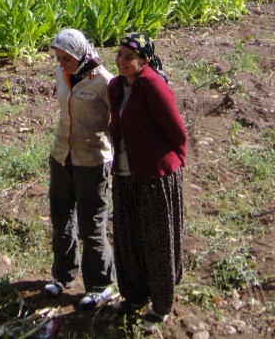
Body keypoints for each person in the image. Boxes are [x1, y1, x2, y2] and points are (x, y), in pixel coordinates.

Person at [108, 32, 187, 331]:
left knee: (157, 241)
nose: (122, 61)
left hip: (155, 176)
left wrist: (173, 164)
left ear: (144, 61)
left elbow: (176, 130)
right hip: (126, 175)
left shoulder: (154, 86)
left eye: (129, 57)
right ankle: (133, 295)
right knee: (127, 238)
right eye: (119, 55)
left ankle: (161, 304)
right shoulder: (116, 87)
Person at [45, 28, 115, 309]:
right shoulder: (61, 75)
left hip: (92, 161)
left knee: (92, 224)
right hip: (62, 156)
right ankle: (63, 275)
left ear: (81, 53)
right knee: (61, 217)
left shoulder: (104, 82)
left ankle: (101, 284)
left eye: (67, 59)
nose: (62, 64)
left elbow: (118, 121)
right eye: (59, 58)